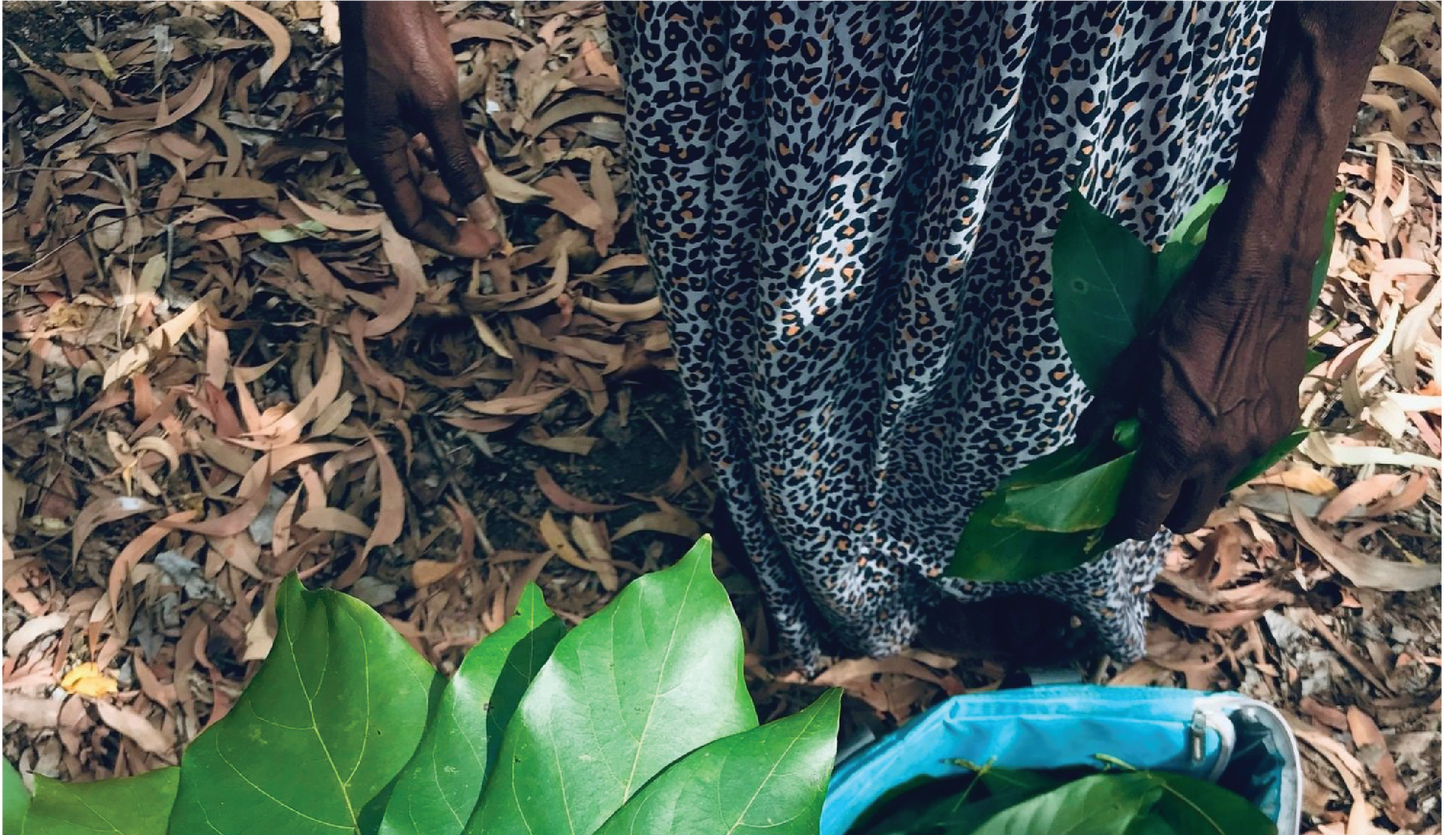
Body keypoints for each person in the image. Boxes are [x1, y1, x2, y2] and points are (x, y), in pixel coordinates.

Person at [340, 0, 1394, 669]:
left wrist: (1265, 260)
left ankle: (1027, 589)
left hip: (1109, 34)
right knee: (773, 321)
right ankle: (828, 581)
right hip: (773, 31)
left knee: (1060, 339)